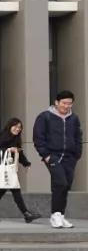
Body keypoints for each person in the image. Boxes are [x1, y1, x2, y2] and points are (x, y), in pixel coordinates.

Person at [33, 90, 83, 229]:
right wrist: (46, 155)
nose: (66, 106)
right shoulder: (45, 117)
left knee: (66, 185)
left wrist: (77, 154)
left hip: (70, 157)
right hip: (53, 156)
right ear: (56, 102)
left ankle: (61, 215)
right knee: (60, 183)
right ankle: (55, 214)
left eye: (69, 103)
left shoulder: (74, 118)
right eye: (64, 103)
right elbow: (38, 137)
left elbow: (78, 136)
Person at [0, 117, 41, 223]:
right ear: (10, 126)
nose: (17, 129)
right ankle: (26, 214)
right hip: (5, 166)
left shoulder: (16, 139)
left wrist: (26, 163)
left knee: (1, 192)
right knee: (15, 189)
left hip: (10, 167)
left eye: (19, 127)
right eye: (15, 126)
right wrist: (9, 149)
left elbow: (20, 153)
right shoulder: (3, 136)